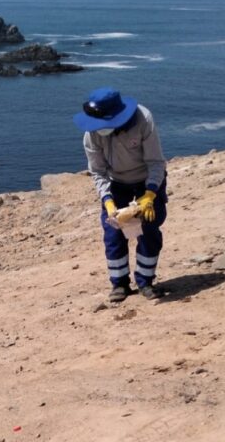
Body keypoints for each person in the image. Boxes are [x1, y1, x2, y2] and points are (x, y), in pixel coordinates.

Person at [73, 87, 168, 302]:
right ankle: (119, 284)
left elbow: (156, 163)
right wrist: (107, 200)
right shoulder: (91, 134)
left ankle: (146, 281)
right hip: (116, 183)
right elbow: (97, 171)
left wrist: (150, 194)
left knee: (149, 229)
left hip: (146, 180)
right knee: (113, 232)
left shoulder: (144, 120)